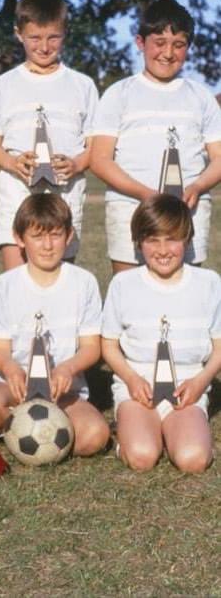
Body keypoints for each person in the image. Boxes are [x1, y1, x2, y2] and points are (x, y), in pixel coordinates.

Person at [0, 194, 110, 457]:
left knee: (94, 438)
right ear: (19, 238)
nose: (47, 245)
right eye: (37, 236)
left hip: (63, 392)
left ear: (68, 236)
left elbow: (92, 348)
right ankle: (25, 429)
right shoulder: (5, 285)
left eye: (55, 235)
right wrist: (10, 370)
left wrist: (68, 368)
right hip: (14, 388)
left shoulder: (84, 282)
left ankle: (37, 429)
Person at [90, 0, 221, 274]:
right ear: (140, 43)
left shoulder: (202, 98)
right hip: (129, 209)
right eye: (159, 43)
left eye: (178, 44)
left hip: (188, 215)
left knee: (186, 296)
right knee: (130, 295)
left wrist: (197, 187)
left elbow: (218, 158)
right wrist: (145, 194)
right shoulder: (119, 94)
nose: (168, 53)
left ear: (188, 47)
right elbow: (100, 159)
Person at [101, 194, 219, 472]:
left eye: (172, 239)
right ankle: (133, 434)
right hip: (137, 391)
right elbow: (108, 345)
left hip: (187, 391)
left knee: (193, 460)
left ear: (188, 240)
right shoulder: (123, 284)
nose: (163, 250)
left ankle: (181, 432)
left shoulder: (209, 283)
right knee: (142, 457)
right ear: (138, 242)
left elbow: (219, 346)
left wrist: (200, 382)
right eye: (153, 240)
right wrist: (131, 378)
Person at [0, 0, 98, 271]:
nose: (44, 46)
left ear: (65, 33)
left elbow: (95, 147)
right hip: (16, 193)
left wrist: (76, 164)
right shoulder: (3, 85)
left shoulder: (83, 85)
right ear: (18, 33)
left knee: (59, 285)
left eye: (53, 37)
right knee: (17, 284)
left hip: (66, 196)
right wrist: (13, 163)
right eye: (34, 38)